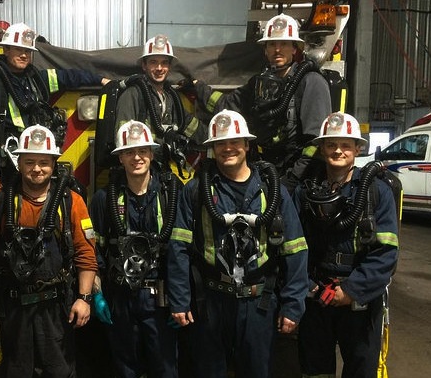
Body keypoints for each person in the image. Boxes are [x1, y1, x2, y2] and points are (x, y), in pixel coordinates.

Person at [166, 109, 309, 378]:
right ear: (212, 148)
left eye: (234, 142)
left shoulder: (272, 189)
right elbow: (179, 248)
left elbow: (296, 248)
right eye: (221, 143)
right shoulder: (196, 191)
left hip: (259, 304)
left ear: (247, 144)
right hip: (210, 302)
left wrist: (293, 304)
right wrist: (180, 300)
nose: (228, 148)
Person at [0, 124, 98, 377]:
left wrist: (84, 299)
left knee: (59, 370)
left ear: (53, 164)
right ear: (19, 164)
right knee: (17, 369)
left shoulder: (71, 201)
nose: (36, 168)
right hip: (14, 306)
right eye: (29, 162)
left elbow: (86, 253)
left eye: (43, 162)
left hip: (56, 306)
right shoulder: (1, 201)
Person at [294, 112, 399, 377]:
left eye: (346, 145)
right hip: (316, 297)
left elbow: (386, 253)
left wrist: (351, 291)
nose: (338, 150)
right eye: (331, 144)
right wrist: (308, 286)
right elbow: (293, 246)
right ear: (322, 148)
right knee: (315, 370)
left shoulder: (376, 192)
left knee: (361, 369)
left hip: (359, 303)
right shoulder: (305, 192)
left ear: (357, 148)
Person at [194, 13, 332, 190]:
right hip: (266, 174)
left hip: (299, 182)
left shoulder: (310, 82)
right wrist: (198, 88)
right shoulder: (257, 84)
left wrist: (292, 180)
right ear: (265, 50)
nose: (277, 50)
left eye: (283, 44)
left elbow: (317, 142)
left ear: (295, 49)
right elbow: (227, 106)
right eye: (272, 44)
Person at [0, 22, 110, 191]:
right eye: (18, 50)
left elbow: (68, 77)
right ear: (6, 50)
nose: (23, 55)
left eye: (27, 51)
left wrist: (100, 80)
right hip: (9, 166)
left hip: (36, 157)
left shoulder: (35, 79)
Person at [89, 120, 181, 377]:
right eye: (129, 152)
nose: (137, 157)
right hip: (120, 299)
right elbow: (93, 252)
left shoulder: (170, 194)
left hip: (161, 299)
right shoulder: (103, 200)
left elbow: (183, 250)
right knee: (125, 369)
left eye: (142, 151)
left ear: (152, 153)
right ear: (120, 158)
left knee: (165, 369)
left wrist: (182, 297)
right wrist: (97, 294)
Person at [115, 34, 207, 174]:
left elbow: (188, 124)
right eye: (153, 62)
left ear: (169, 66)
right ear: (144, 66)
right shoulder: (132, 95)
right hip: (139, 169)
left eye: (164, 62)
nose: (159, 68)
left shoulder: (170, 97)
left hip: (163, 169)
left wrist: (217, 139)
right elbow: (123, 137)